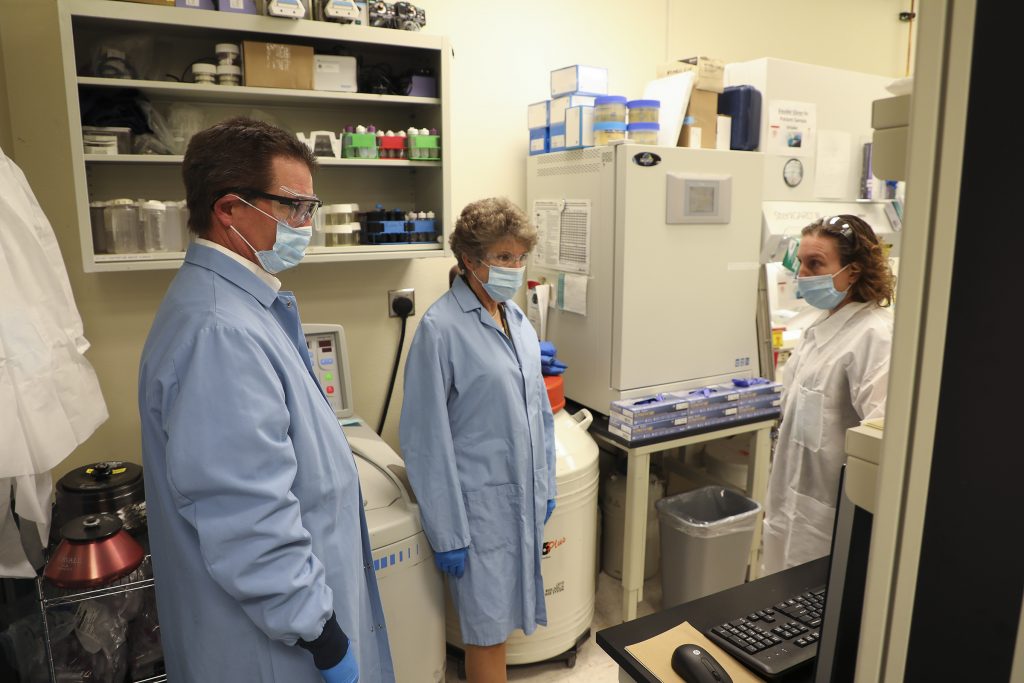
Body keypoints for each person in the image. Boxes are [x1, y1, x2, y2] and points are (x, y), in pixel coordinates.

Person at [137, 117, 395, 683]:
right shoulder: (218, 332)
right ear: (229, 210)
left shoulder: (238, 308)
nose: (308, 223)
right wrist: (323, 638)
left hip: (283, 630)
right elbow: (248, 521)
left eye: (311, 207)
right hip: (276, 650)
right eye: (295, 206)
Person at [399, 197, 557, 682]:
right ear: (470, 260)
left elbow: (538, 418)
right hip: (477, 511)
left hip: (522, 498)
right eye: (503, 257)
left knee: (504, 625)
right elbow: (425, 439)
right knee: (485, 633)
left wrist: (545, 484)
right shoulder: (440, 328)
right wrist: (447, 530)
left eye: (519, 256)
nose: (514, 267)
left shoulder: (517, 319)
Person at [762, 214, 896, 573]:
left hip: (829, 516)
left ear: (853, 271)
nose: (802, 275)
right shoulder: (819, 326)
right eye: (801, 263)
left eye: (815, 264)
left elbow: (879, 443)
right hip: (791, 502)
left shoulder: (875, 338)